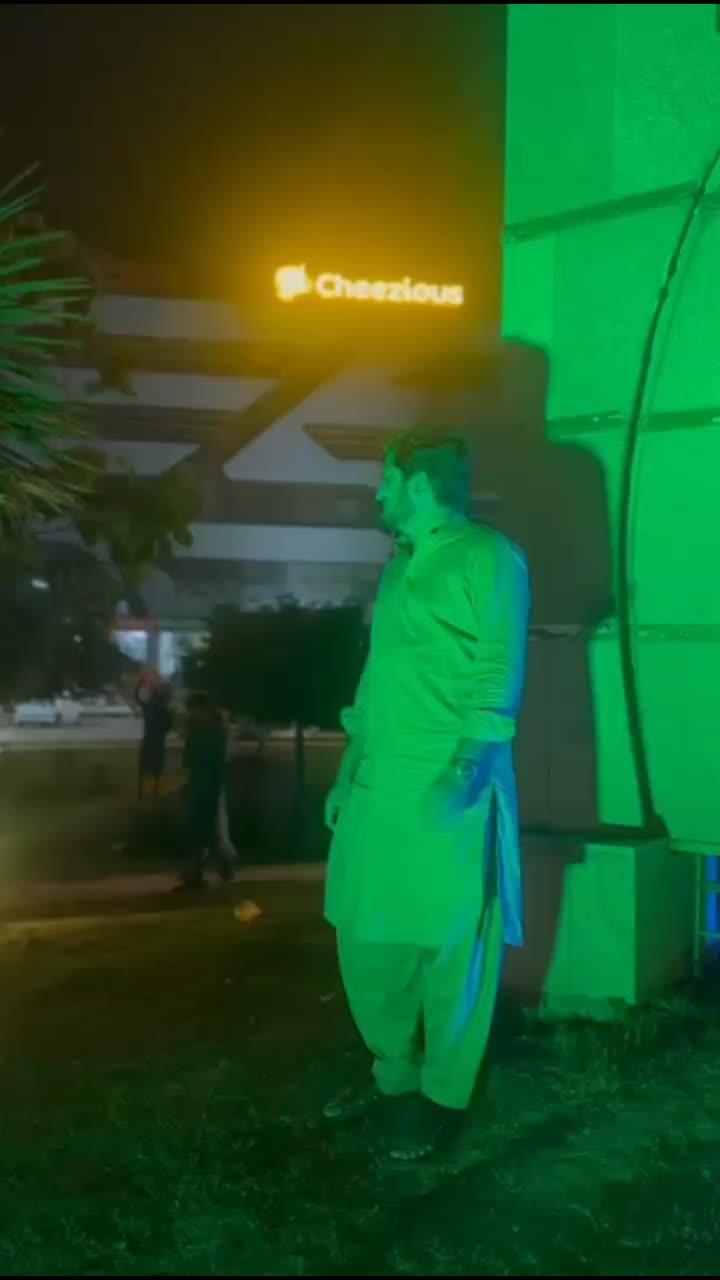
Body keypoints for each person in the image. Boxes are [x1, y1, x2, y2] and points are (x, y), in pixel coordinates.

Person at [323, 426, 530, 1161]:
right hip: (379, 787)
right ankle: (393, 1072)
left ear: (416, 484)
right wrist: (347, 771)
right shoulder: (397, 569)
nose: (377, 492)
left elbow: (497, 673)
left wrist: (462, 776)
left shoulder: (490, 557)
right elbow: (375, 681)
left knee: (450, 949)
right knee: (366, 936)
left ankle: (443, 1097)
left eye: (385, 479)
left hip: (450, 784)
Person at [179, 691, 234, 889]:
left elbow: (201, 758)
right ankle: (211, 868)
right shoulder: (208, 728)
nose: (189, 713)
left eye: (192, 709)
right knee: (204, 831)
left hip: (206, 785)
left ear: (201, 709)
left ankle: (198, 872)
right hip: (203, 784)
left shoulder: (209, 730)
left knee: (202, 830)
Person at [135, 670, 173, 801]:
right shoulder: (162, 709)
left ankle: (142, 793)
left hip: (151, 739)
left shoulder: (149, 707)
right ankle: (151, 793)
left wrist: (141, 683)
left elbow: (137, 698)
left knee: (145, 767)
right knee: (155, 767)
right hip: (157, 740)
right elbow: (169, 726)